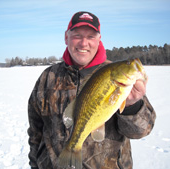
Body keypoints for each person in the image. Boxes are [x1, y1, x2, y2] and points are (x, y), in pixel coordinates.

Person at [27, 11, 156, 169]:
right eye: (77, 35)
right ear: (66, 37)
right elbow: (35, 131)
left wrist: (132, 106)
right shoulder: (47, 78)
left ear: (99, 40)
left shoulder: (119, 79)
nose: (83, 43)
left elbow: (141, 131)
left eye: (90, 37)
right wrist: (35, 163)